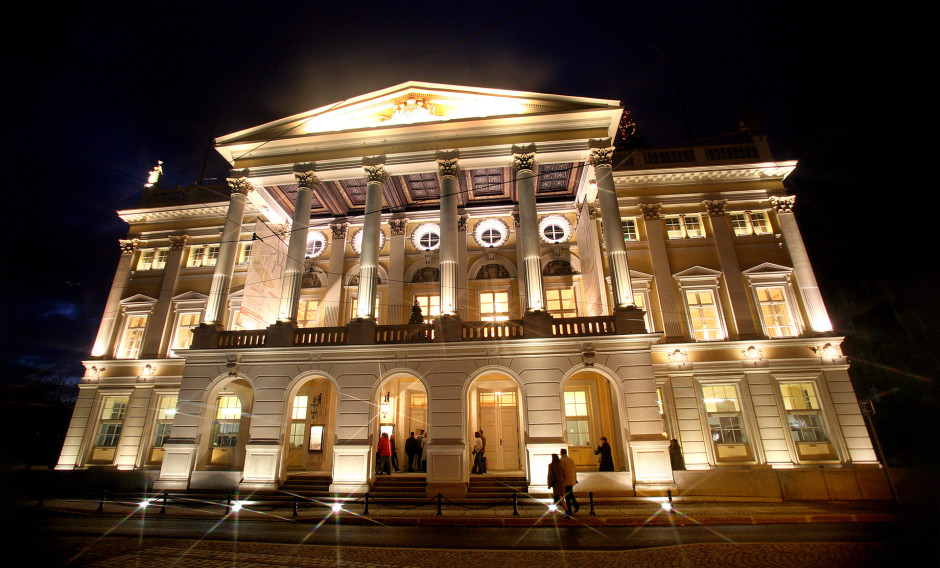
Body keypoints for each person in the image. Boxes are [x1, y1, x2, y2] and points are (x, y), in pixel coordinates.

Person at [559, 448, 580, 514]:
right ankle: (575, 505)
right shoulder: (571, 460)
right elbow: (574, 470)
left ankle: (569, 510)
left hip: (566, 480)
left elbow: (561, 471)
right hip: (571, 480)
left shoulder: (562, 461)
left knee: (568, 496)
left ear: (561, 453)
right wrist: (575, 479)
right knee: (570, 494)